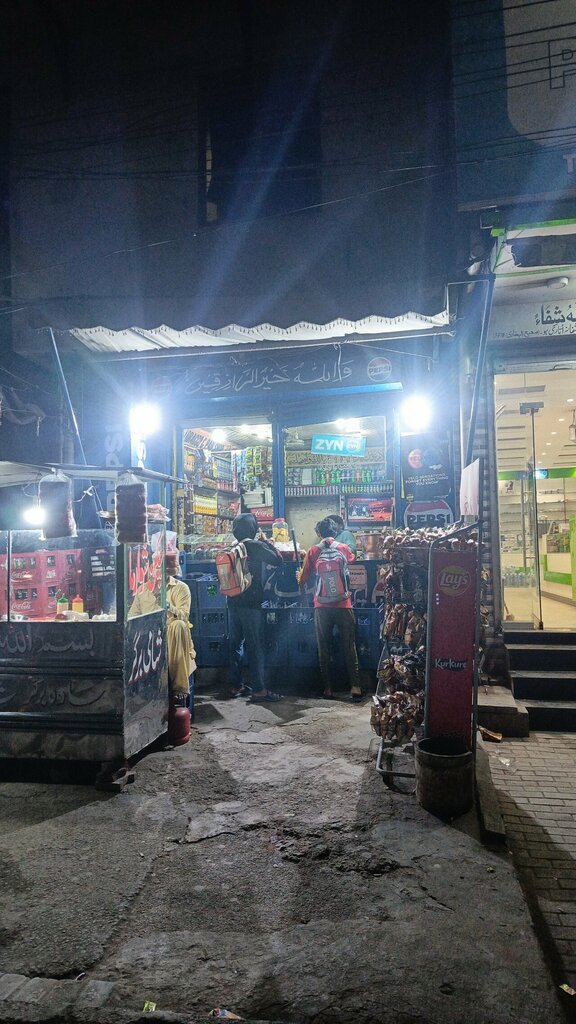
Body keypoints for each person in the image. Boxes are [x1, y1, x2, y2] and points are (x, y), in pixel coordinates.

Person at [297, 517, 362, 702]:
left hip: (321, 606)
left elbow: (303, 579)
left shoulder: (313, 551)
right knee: (349, 646)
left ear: (318, 533)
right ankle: (356, 686)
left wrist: (298, 576)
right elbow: (352, 558)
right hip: (344, 604)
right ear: (335, 532)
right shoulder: (343, 548)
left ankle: (328, 688)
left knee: (323, 647)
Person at [228, 512, 283, 702]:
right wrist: (266, 541)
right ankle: (259, 689)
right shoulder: (255, 545)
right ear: (253, 528)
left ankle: (236, 685)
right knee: (254, 646)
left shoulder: (232, 546)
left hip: (232, 602)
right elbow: (278, 559)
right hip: (251, 604)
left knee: (235, 645)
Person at [129, 550, 196, 705]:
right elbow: (133, 617)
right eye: (156, 569)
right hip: (148, 641)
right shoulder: (142, 590)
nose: (158, 573)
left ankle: (180, 686)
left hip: (172, 639)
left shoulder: (181, 588)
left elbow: (184, 616)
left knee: (178, 625)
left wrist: (168, 607)